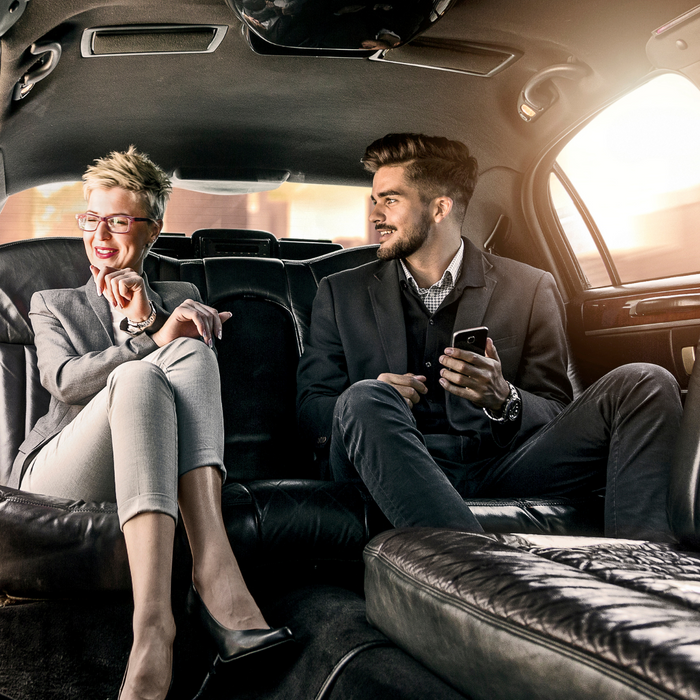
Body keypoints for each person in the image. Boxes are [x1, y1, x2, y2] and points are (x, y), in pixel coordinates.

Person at [296, 132, 683, 542]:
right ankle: (477, 565)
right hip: (388, 464)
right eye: (374, 201)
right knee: (364, 397)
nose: (375, 214)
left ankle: (642, 574)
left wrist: (504, 398)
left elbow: (555, 410)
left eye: (389, 200)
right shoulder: (340, 293)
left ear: (440, 207)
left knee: (647, 381)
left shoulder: (530, 287)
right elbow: (310, 410)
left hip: (500, 466)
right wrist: (372, 393)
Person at [12, 147, 292, 700]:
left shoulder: (180, 298)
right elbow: (64, 382)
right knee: (139, 375)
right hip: (57, 474)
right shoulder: (54, 302)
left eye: (118, 221)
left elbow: (189, 390)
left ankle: (179, 606)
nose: (101, 236)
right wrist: (148, 341)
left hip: (156, 462)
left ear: (154, 230)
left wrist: (149, 319)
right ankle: (185, 606)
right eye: (91, 219)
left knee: (188, 356)